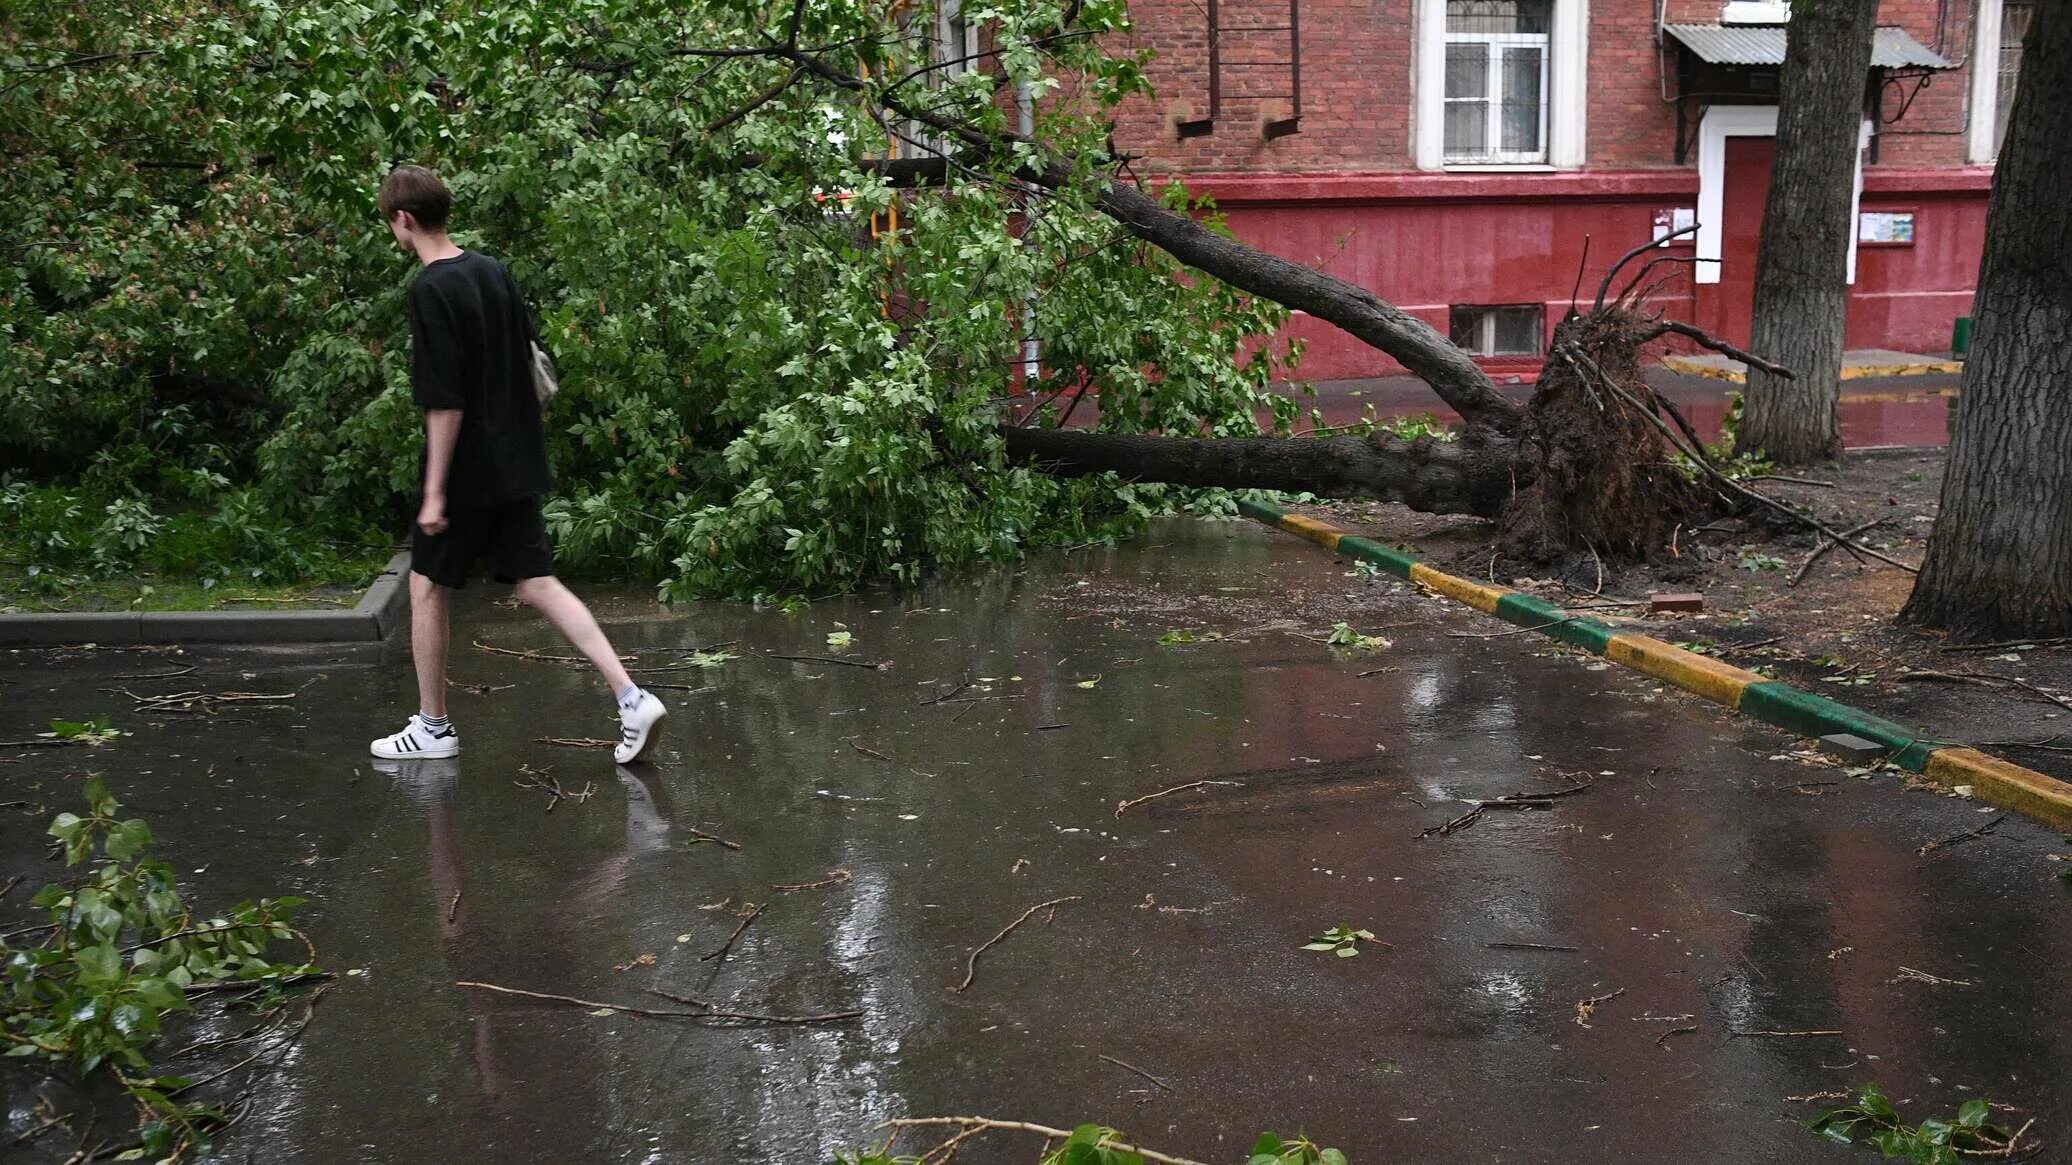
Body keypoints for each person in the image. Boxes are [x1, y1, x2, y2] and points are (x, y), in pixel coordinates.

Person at [368, 164, 665, 765]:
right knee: (539, 583)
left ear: (403, 219)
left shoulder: (430, 290)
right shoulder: (491, 271)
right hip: (516, 459)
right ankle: (631, 696)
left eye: (391, 224)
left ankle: (433, 727)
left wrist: (433, 491)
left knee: (425, 586)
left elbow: (444, 399)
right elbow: (535, 362)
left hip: (466, 472)